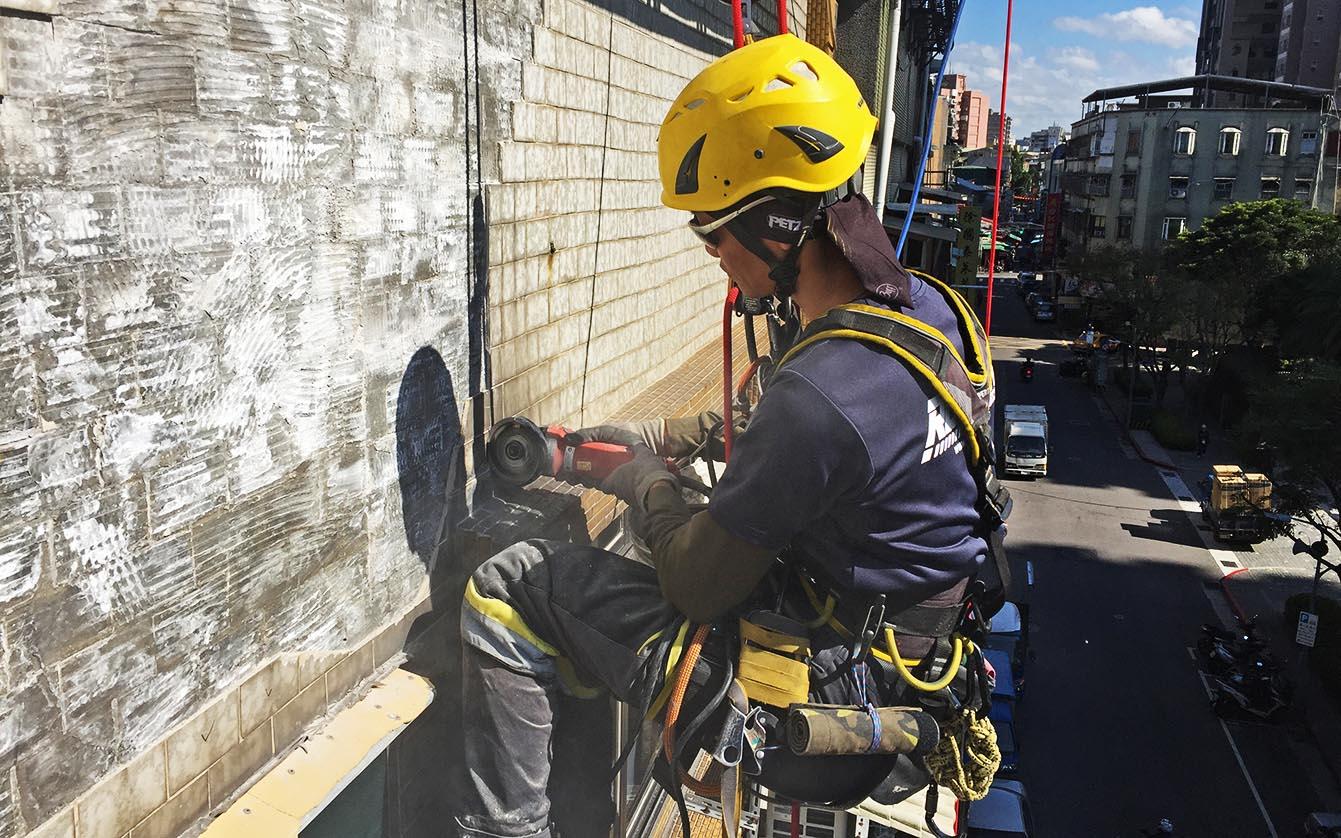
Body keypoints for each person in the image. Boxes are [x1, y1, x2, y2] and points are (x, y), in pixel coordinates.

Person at [455, 34, 995, 838]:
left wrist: (645, 482)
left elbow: (695, 587)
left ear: (777, 223)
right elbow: (796, 431)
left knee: (507, 591)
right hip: (915, 678)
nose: (712, 258)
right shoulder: (930, 313)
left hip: (823, 711)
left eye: (713, 235)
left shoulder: (820, 396)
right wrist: (642, 439)